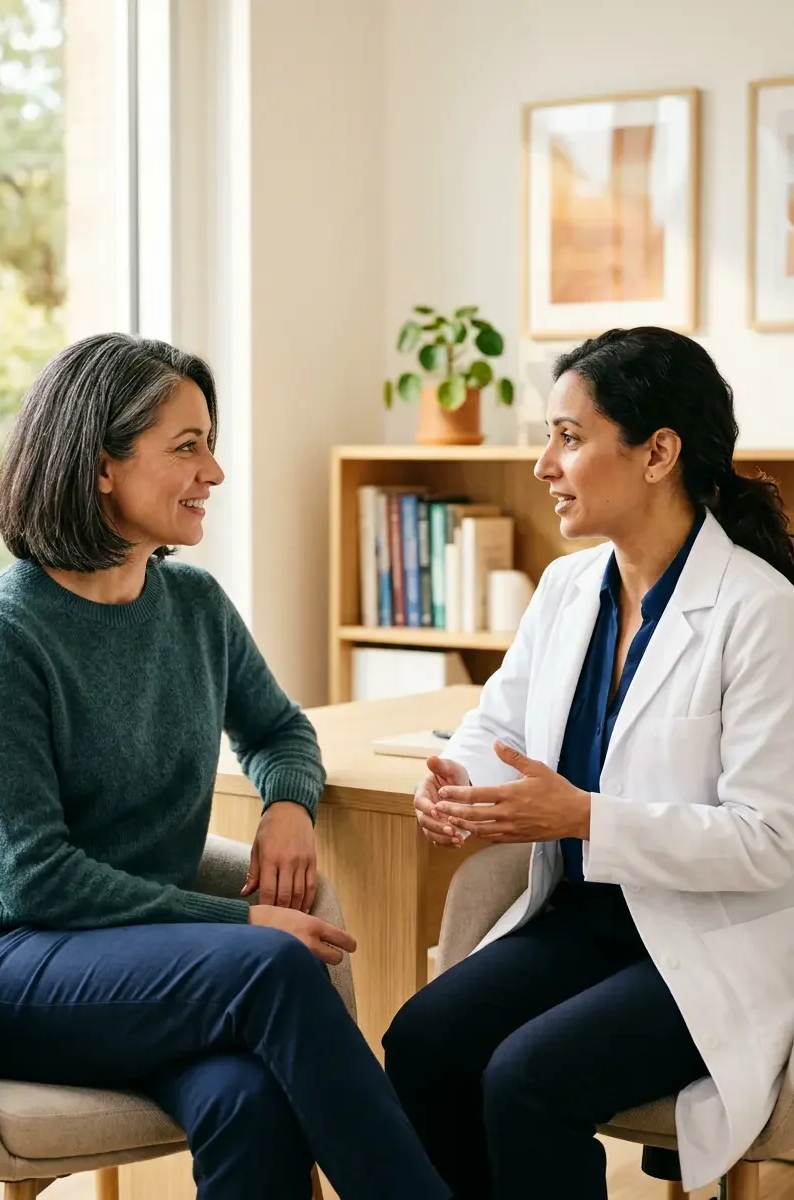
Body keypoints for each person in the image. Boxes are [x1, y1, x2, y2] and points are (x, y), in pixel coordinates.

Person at [0, 333, 450, 1200]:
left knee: (246, 1099)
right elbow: (36, 878)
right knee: (275, 965)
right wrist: (241, 924)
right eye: (188, 447)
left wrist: (288, 806)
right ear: (102, 468)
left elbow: (280, 729)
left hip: (134, 961)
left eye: (212, 444)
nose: (216, 473)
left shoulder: (193, 604)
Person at [383, 326, 794, 1199]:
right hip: (582, 923)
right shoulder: (568, 588)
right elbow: (498, 726)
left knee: (526, 1079)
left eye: (568, 438)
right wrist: (456, 786)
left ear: (658, 454)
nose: (544, 465)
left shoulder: (761, 613)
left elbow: (770, 841)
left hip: (705, 941)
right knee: (422, 1043)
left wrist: (585, 818)